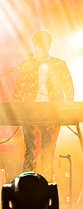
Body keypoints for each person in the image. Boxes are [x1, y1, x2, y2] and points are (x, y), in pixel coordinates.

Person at [13, 31, 74, 181]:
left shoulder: (59, 65)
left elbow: (69, 89)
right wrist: (17, 111)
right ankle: (26, 189)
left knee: (48, 154)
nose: (37, 50)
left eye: (40, 47)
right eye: (35, 46)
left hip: (52, 113)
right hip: (30, 113)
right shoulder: (27, 66)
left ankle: (46, 192)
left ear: (48, 47)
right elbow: (18, 91)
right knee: (30, 153)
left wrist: (66, 111)